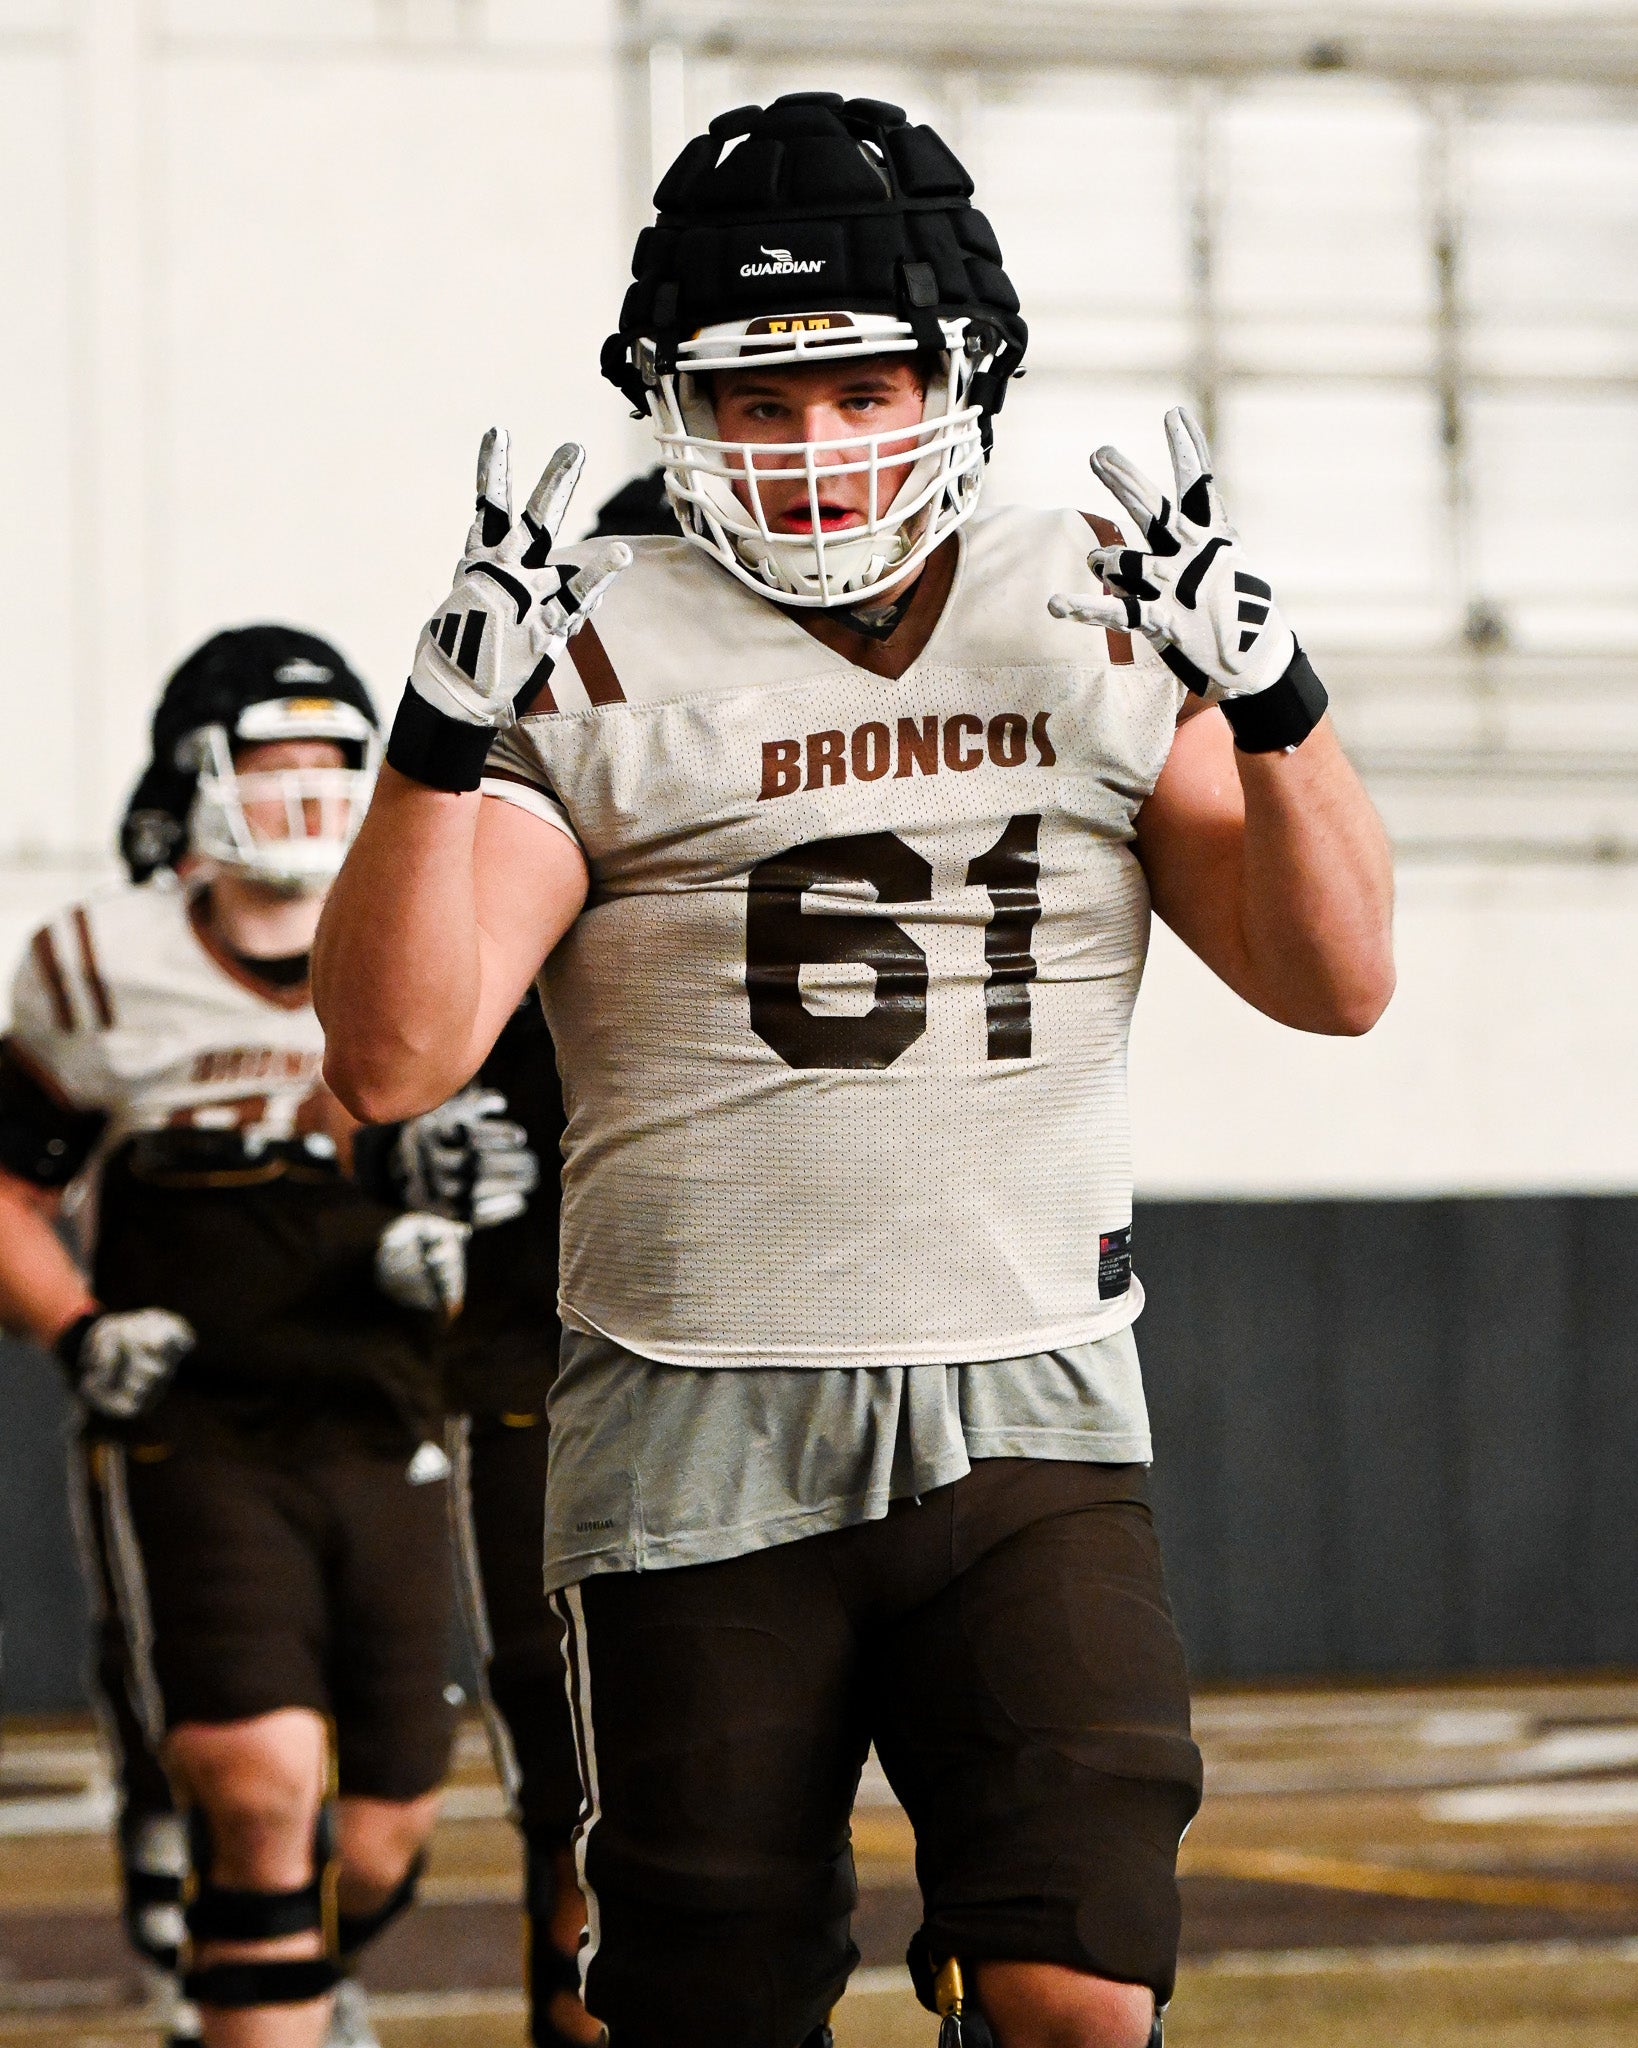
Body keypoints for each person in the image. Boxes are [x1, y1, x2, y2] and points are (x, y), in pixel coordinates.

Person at [314, 92, 1396, 2048]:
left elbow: (1334, 983)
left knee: (1082, 1987)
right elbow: (396, 1055)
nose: (811, 447)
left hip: (1029, 1396)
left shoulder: (1097, 608)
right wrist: (435, 739)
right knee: (708, 2003)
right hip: (692, 1415)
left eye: (860, 387)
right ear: (674, 402)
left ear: (958, 377)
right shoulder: (590, 644)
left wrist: (1281, 703)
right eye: (756, 397)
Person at [0, 628, 469, 2048]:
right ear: (191, 775)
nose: (307, 788)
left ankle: (277, 1966)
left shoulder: (431, 933)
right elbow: (9, 1187)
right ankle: (243, 1965)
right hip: (195, 1427)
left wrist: (460, 1244)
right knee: (260, 1788)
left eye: (334, 756)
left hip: (388, 1423)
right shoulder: (98, 962)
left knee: (383, 1832)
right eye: (275, 756)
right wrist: (79, 1327)